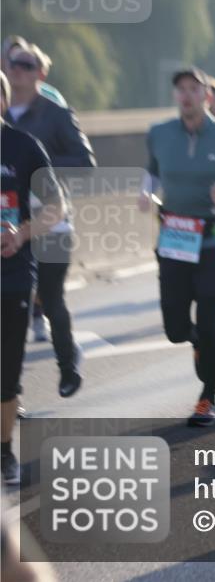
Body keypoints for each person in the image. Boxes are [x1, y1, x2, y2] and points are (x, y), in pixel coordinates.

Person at [139, 67, 215, 426]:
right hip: (174, 236)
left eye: (194, 89)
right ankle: (196, 341)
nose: (187, 95)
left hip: (213, 239)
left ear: (207, 95)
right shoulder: (159, 133)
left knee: (208, 321)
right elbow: (153, 171)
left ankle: (208, 400)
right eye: (181, 89)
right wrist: (147, 191)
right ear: (175, 95)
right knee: (175, 329)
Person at [3, 42, 96, 398]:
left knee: (51, 297)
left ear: (40, 73)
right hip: (9, 226)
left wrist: (38, 168)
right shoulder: (4, 113)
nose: (18, 68)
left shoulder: (56, 114)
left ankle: (67, 365)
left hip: (52, 221)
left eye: (27, 64)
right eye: (14, 62)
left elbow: (85, 163)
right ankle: (11, 392)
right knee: (13, 309)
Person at [1, 70, 66, 484]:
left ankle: (4, 450)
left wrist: (22, 233)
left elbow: (56, 208)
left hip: (12, 276)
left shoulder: (23, 147)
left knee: (6, 372)